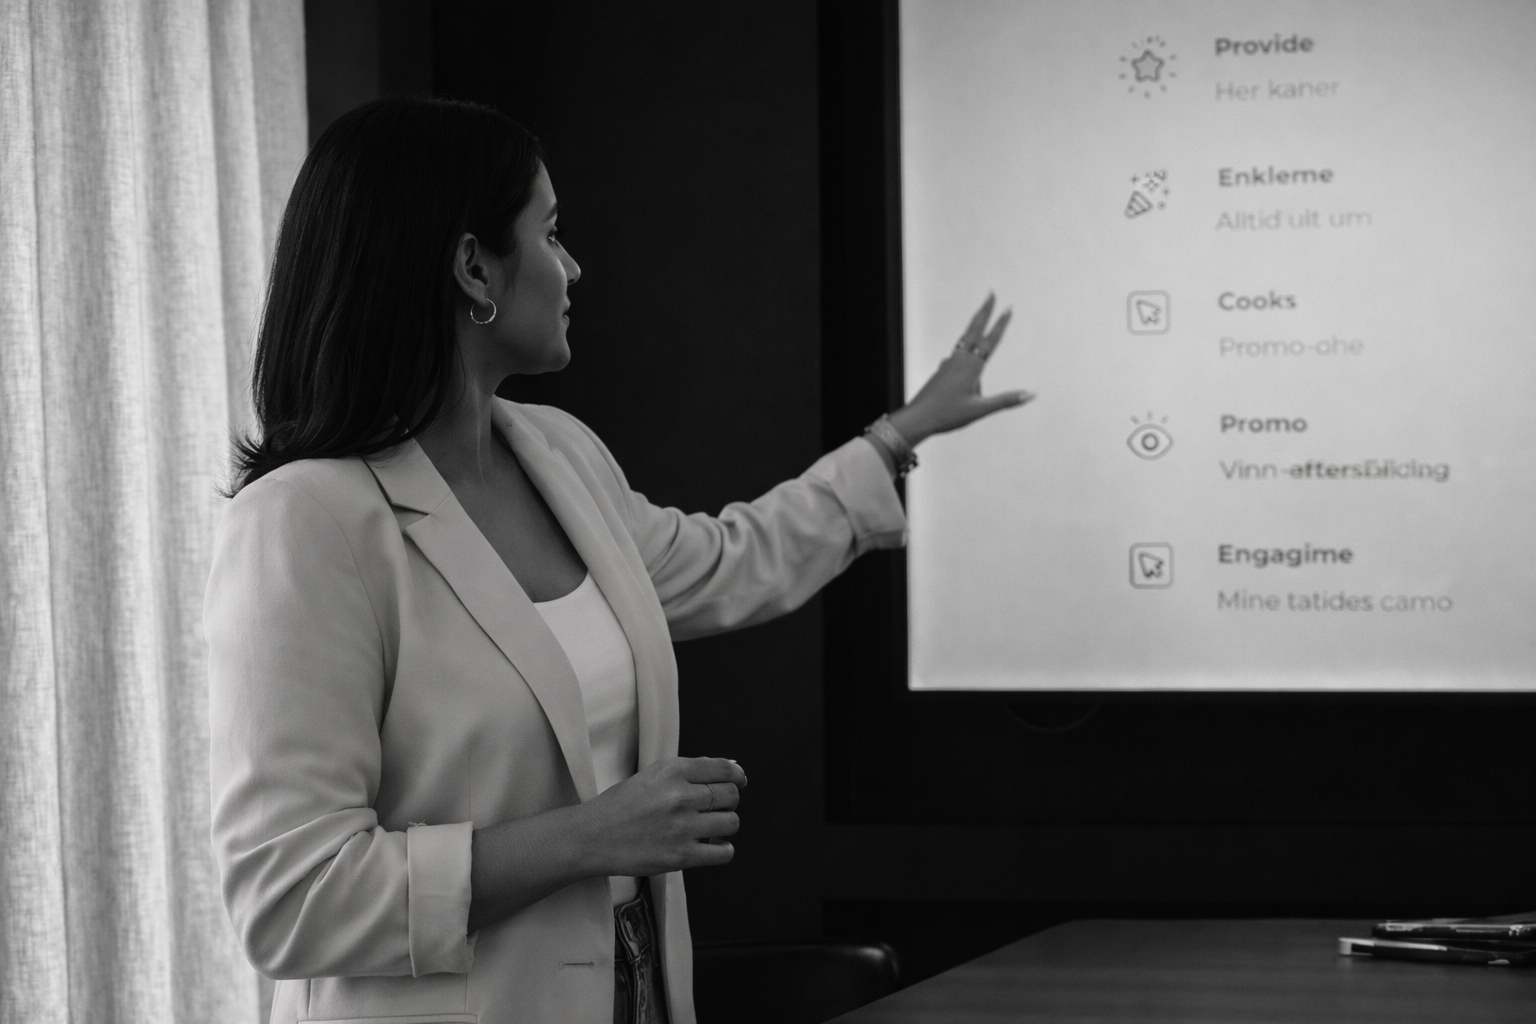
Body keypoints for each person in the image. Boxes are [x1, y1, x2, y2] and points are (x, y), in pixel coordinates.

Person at [205, 96, 1030, 1024]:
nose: (573, 267)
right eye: (551, 234)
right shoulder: (306, 522)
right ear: (473, 266)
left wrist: (899, 436)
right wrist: (591, 838)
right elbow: (290, 898)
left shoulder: (560, 455)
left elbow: (729, 560)